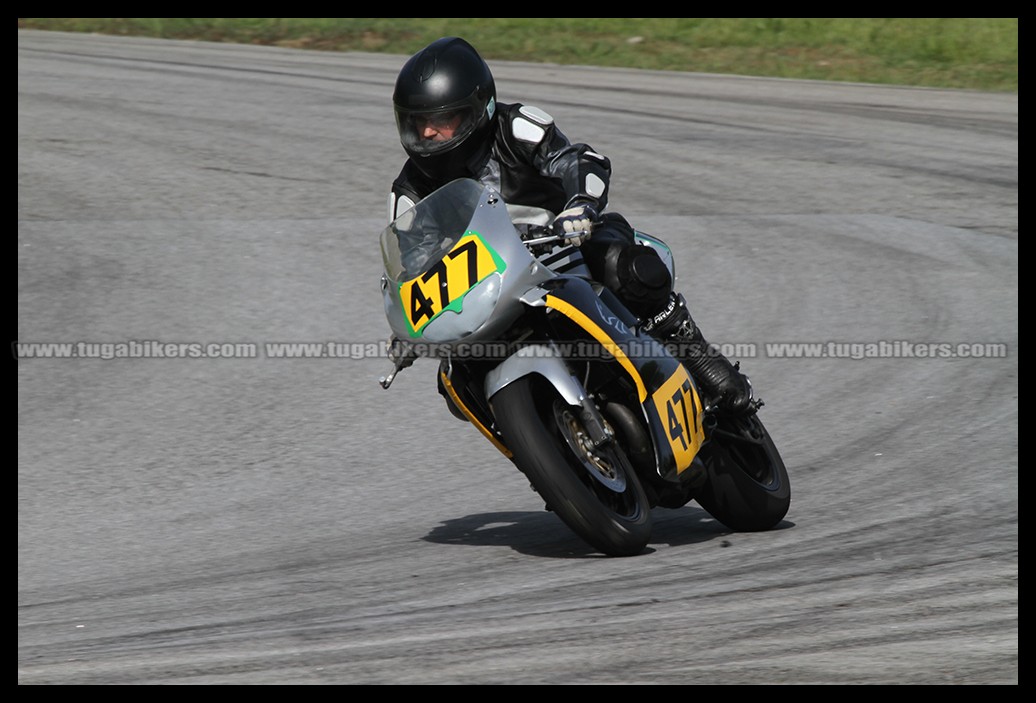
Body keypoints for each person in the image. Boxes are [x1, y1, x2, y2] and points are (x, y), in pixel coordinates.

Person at [387, 36, 753, 415]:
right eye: (419, 122)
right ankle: (539, 452)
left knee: (623, 267)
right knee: (455, 384)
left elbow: (577, 160)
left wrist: (580, 206)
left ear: (480, 107)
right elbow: (414, 263)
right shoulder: (409, 193)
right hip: (487, 289)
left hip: (565, 247)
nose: (428, 133)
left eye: (441, 120)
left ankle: (694, 352)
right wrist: (409, 326)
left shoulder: (515, 128)